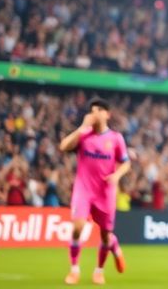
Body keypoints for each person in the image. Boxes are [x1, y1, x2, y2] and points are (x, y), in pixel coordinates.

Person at [59, 97, 130, 286]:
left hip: (105, 192)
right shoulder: (84, 135)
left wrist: (116, 176)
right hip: (83, 189)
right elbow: (63, 146)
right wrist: (81, 128)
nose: (94, 113)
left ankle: (100, 269)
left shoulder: (115, 138)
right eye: (92, 110)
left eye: (98, 110)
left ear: (107, 114)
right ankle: (74, 270)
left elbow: (126, 162)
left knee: (106, 236)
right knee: (77, 228)